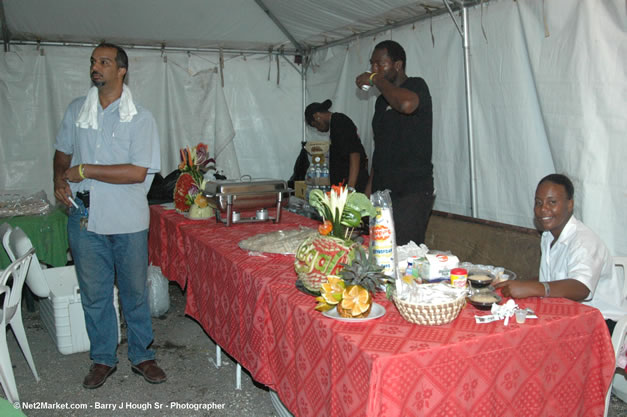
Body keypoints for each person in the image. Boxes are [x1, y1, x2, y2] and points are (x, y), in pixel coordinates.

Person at [53, 43, 166, 389]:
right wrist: (60, 177)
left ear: (121, 70)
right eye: (93, 61)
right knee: (95, 293)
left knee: (133, 292)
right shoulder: (77, 110)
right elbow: (61, 153)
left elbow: (136, 173)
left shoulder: (140, 117)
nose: (95, 67)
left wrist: (85, 169)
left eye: (104, 62)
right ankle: (103, 358)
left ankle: (142, 354)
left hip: (128, 218)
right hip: (85, 216)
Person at [494, 174, 625, 334]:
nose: (543, 209)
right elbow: (549, 280)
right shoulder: (548, 236)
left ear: (570, 205)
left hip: (602, 323)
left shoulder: (583, 241)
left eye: (552, 202)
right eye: (538, 202)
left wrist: (533, 287)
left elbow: (581, 288)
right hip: (567, 314)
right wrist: (518, 284)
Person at [355, 40, 434, 245]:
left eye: (380, 64)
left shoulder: (416, 85)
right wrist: (367, 193)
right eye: (372, 65)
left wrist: (376, 79)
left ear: (398, 65)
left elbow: (406, 105)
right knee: (380, 250)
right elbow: (379, 149)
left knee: (404, 253)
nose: (374, 69)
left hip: (411, 191)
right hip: (383, 192)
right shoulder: (382, 102)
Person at [305, 100, 369, 192]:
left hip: (353, 187)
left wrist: (350, 187)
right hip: (343, 187)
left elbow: (354, 153)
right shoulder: (335, 124)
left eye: (315, 125)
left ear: (317, 116)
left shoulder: (339, 121)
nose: (318, 130)